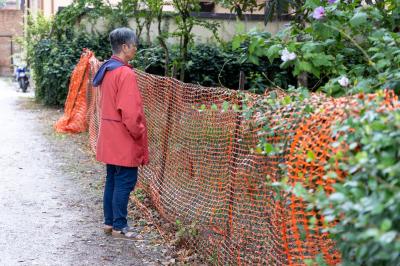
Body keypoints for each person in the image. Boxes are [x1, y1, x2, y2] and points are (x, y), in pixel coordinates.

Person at [93, 27, 149, 239]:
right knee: (124, 181)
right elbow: (131, 113)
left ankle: (109, 223)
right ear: (125, 47)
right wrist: (139, 133)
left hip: (108, 135)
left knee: (112, 180)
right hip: (123, 137)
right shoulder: (125, 73)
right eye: (134, 45)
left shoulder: (106, 69)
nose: (135, 49)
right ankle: (120, 226)